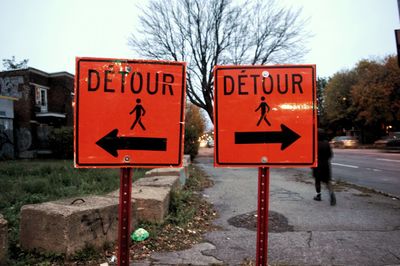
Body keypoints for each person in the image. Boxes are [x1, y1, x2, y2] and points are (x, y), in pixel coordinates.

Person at [313, 129, 336, 206]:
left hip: (316, 164)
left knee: (317, 180)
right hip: (326, 164)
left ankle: (318, 195)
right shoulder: (327, 144)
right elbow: (330, 155)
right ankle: (331, 193)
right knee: (327, 181)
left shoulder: (314, 144)